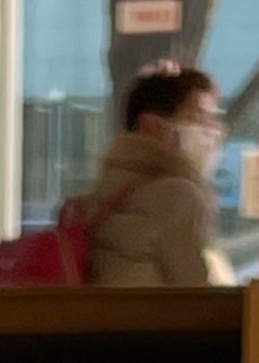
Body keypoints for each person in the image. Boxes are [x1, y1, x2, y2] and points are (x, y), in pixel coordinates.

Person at [79, 63, 233, 292]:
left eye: (214, 120)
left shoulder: (108, 186)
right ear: (151, 125)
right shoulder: (178, 194)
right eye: (198, 118)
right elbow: (197, 295)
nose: (215, 132)